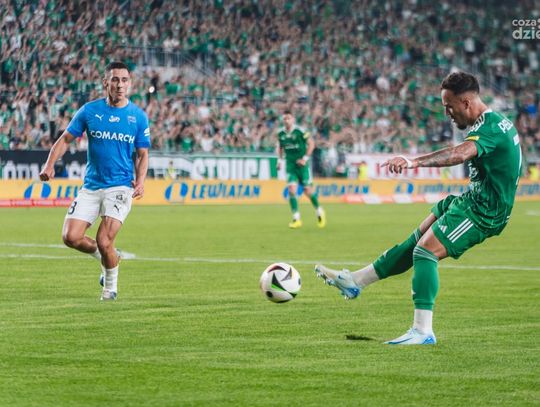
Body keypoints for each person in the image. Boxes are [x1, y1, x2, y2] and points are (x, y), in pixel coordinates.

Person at [315, 72, 522, 345]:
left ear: (466, 102)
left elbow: (459, 154)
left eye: (449, 106)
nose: (447, 113)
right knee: (415, 242)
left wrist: (414, 162)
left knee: (425, 251)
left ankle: (423, 331)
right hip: (472, 199)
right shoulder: (491, 123)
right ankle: (355, 281)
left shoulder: (491, 127)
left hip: (485, 211)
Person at [39, 61, 151, 301]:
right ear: (105, 82)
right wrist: (49, 164)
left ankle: (110, 289)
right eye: (115, 79)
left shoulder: (138, 117)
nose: (119, 85)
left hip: (120, 186)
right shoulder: (89, 111)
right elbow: (65, 139)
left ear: (130, 84)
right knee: (71, 237)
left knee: (104, 239)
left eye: (124, 80)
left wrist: (141, 181)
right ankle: (107, 257)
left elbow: (143, 154)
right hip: (91, 186)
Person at [277, 110, 326, 229]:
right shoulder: (281, 134)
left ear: (293, 119)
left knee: (307, 190)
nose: (286, 121)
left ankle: (319, 211)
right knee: (291, 189)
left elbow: (311, 144)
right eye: (284, 119)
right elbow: (281, 147)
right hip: (290, 166)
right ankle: (296, 218)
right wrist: (280, 161)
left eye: (288, 118)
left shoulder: (300, 131)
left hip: (303, 166)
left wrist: (305, 158)